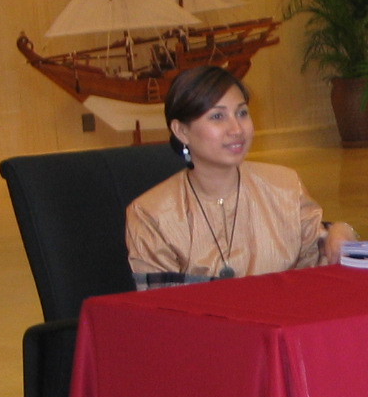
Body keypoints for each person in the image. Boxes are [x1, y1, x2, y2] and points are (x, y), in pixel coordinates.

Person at [127, 65, 356, 284]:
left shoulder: (285, 186)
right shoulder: (151, 214)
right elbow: (159, 302)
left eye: (242, 113)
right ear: (181, 131)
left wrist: (339, 232)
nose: (237, 129)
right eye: (217, 117)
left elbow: (320, 260)